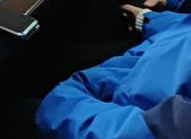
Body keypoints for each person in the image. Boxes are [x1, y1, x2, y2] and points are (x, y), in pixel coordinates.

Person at [36, 8, 191, 139]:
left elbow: (139, 132)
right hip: (141, 71)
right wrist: (147, 18)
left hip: (107, 114)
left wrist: (63, 101)